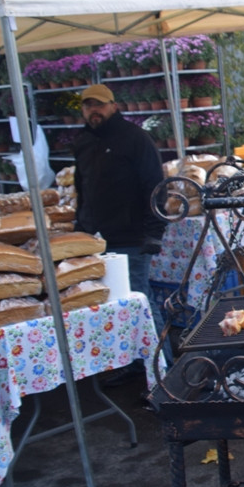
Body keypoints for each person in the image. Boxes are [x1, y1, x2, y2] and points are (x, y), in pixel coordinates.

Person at [73, 84, 167, 380]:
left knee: (141, 299)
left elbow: (155, 186)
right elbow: (82, 188)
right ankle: (128, 362)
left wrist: (154, 232)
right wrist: (81, 227)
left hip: (132, 237)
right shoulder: (83, 142)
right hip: (95, 239)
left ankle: (164, 366)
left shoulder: (135, 138)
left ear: (113, 106)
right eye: (88, 106)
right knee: (108, 305)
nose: (94, 111)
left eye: (99, 105)